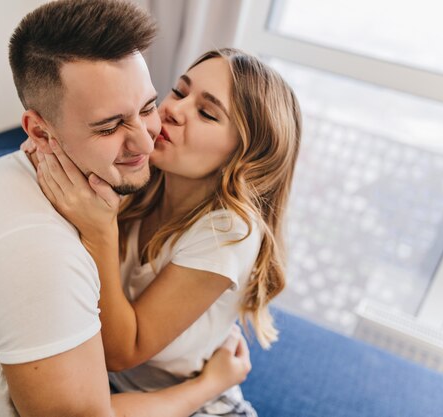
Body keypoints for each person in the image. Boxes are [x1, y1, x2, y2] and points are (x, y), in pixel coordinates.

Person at [0, 1, 252, 416]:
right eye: (110, 126)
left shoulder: (3, 175)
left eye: (147, 108)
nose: (149, 142)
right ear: (40, 131)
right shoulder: (42, 256)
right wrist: (211, 386)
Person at [25, 47, 302, 417]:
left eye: (206, 112)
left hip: (202, 407)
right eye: (180, 91)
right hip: (120, 389)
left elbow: (123, 352)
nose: (173, 109)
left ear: (246, 156)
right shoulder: (144, 175)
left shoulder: (230, 230)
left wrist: (101, 231)